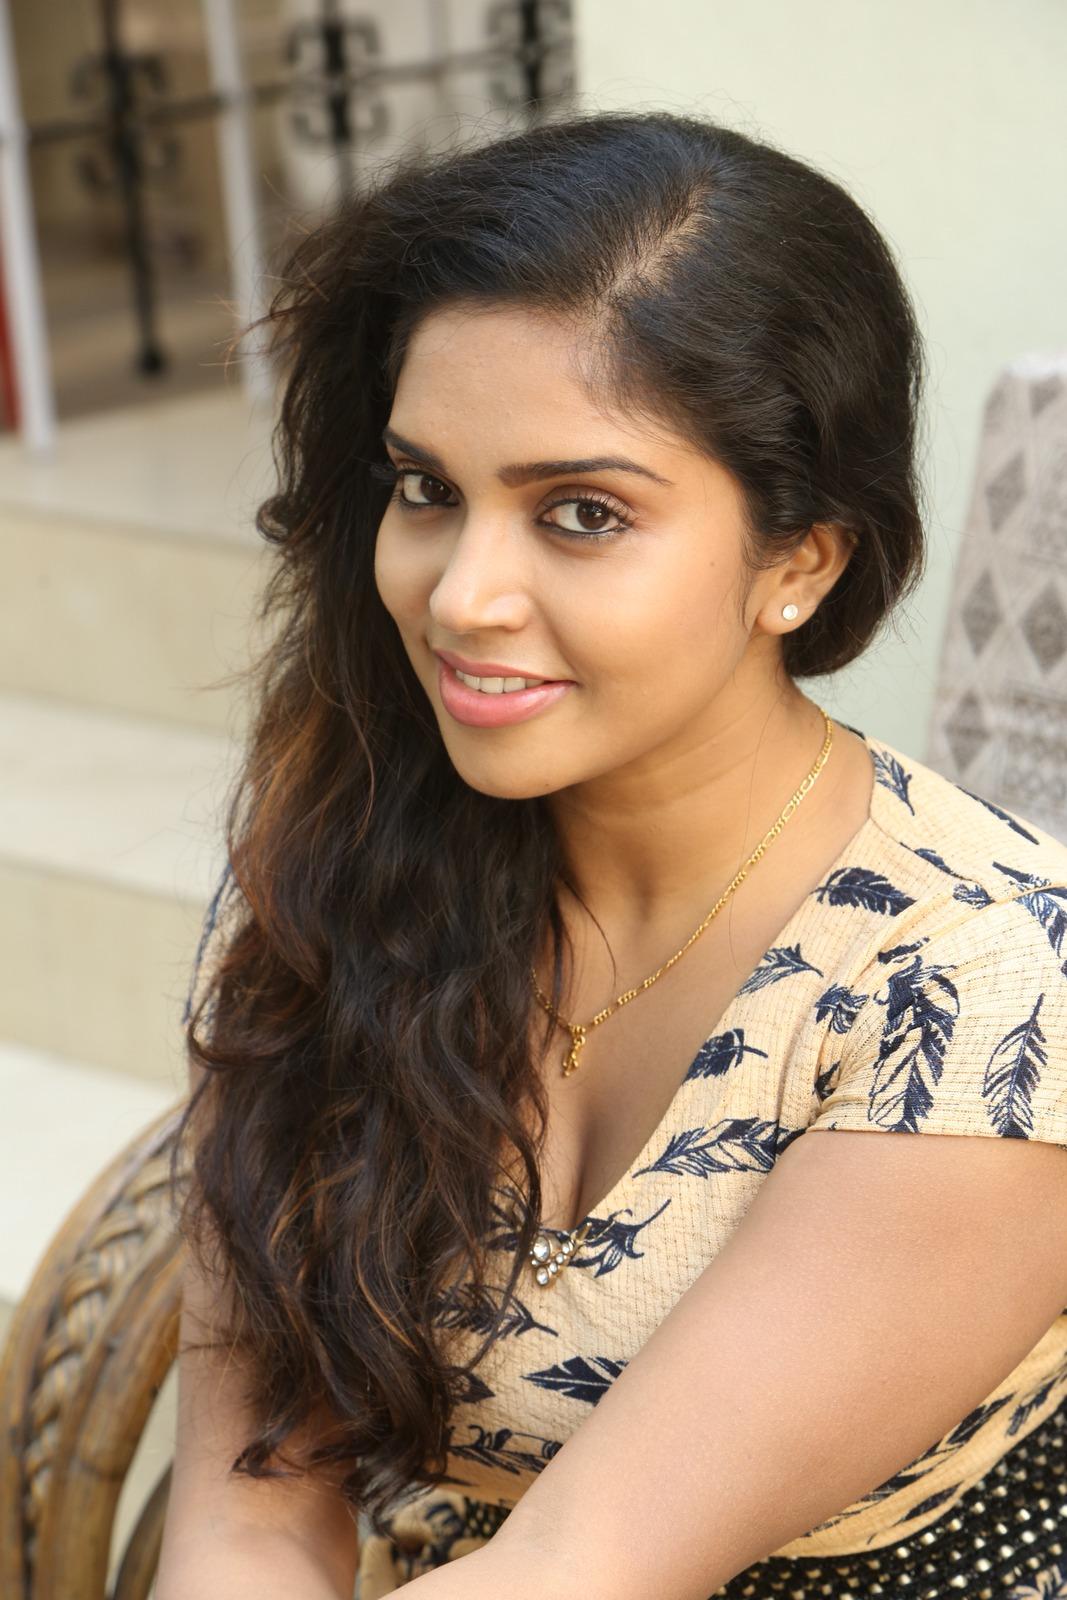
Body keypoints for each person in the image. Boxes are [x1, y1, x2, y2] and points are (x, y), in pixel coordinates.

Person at [155, 109, 1067, 1600]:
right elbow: (251, 1504)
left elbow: (584, 1566)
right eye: (427, 489)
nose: (464, 595)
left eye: (581, 514)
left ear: (799, 559)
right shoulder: (348, 865)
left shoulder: (989, 985)